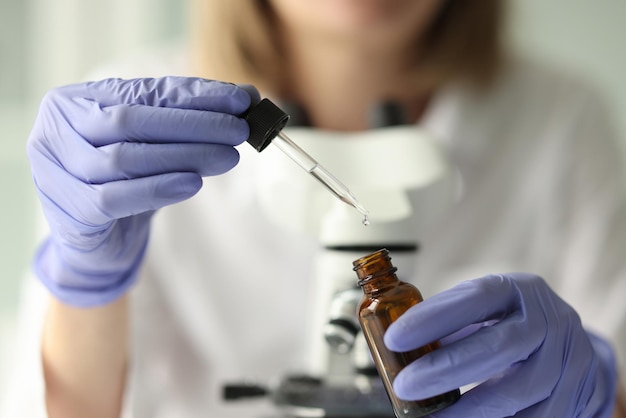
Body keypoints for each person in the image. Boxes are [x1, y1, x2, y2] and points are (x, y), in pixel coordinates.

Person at [6, 0, 626, 417]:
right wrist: (87, 279)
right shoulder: (130, 124)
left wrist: (596, 393)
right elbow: (71, 406)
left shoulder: (561, 120)